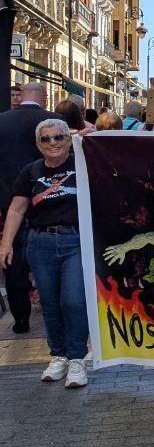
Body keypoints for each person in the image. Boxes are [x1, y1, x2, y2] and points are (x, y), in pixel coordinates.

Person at [0, 118, 89, 387]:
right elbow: (16, 209)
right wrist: (5, 244)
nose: (52, 143)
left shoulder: (83, 164)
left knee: (73, 301)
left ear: (68, 139)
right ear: (38, 144)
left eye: (58, 137)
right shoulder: (30, 172)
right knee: (48, 302)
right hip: (40, 244)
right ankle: (58, 355)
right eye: (45, 139)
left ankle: (77, 359)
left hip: (75, 240)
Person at [0, 82, 56, 334]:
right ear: (43, 97)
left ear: (21, 96)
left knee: (14, 258)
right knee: (51, 257)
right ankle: (51, 306)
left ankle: (20, 316)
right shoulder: (54, 120)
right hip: (48, 201)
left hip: (9, 200)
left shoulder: (2, 121)